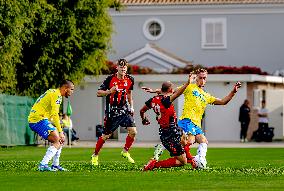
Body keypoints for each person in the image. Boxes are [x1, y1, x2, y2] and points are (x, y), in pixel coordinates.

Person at [143, 68, 241, 168]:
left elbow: (223, 101)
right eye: (200, 78)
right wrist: (154, 91)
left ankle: (199, 160)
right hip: (187, 120)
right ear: (196, 78)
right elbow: (172, 91)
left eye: (204, 78)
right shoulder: (190, 87)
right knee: (189, 140)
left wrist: (233, 91)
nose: (202, 80)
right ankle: (191, 160)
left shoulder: (206, 96)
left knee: (203, 141)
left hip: (196, 124)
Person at [140, 75, 193, 171]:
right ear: (170, 90)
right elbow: (178, 93)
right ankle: (154, 164)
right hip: (171, 132)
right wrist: (188, 83)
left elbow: (142, 111)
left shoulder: (153, 100)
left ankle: (191, 159)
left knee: (185, 139)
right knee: (182, 161)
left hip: (166, 130)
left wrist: (144, 119)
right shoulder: (166, 100)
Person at [91, 59, 137, 166]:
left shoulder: (130, 79)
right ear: (117, 67)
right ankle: (95, 155)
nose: (123, 69)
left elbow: (129, 94)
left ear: (126, 68)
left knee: (133, 132)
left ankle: (125, 152)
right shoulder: (110, 79)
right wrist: (109, 91)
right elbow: (98, 93)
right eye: (121, 67)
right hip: (112, 112)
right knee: (106, 136)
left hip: (125, 110)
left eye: (124, 67)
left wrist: (132, 107)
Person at [28, 80, 74, 171]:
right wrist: (60, 131)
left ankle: (55, 165)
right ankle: (43, 164)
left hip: (40, 119)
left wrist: (59, 130)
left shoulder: (53, 92)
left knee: (59, 140)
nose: (72, 92)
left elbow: (50, 112)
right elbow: (55, 114)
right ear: (65, 88)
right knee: (57, 139)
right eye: (71, 89)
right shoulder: (57, 95)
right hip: (37, 119)